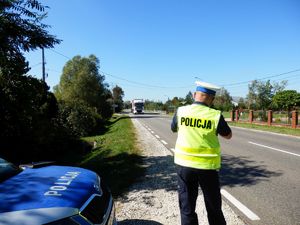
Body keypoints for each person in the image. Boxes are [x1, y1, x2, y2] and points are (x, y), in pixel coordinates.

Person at [171, 81, 232, 225]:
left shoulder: (181, 111)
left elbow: (173, 129)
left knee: (187, 208)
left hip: (184, 166)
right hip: (207, 168)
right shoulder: (215, 115)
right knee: (213, 207)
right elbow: (228, 135)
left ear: (194, 95)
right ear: (212, 99)